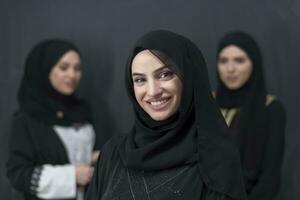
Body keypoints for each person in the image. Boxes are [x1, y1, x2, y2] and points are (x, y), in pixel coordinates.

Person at [85, 30, 247, 200]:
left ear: (189, 77)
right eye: (140, 80)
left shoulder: (216, 159)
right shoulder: (113, 153)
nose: (153, 91)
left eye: (164, 75)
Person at [6, 39, 99, 200]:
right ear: (45, 69)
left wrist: (94, 157)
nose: (72, 74)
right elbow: (18, 174)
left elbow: (68, 153)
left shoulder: (81, 111)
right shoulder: (26, 119)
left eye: (77, 68)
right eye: (64, 67)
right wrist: (71, 176)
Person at [214, 31, 286, 199]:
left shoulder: (270, 108)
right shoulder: (207, 103)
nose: (230, 69)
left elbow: (270, 179)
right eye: (224, 61)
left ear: (254, 63)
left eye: (239, 60)